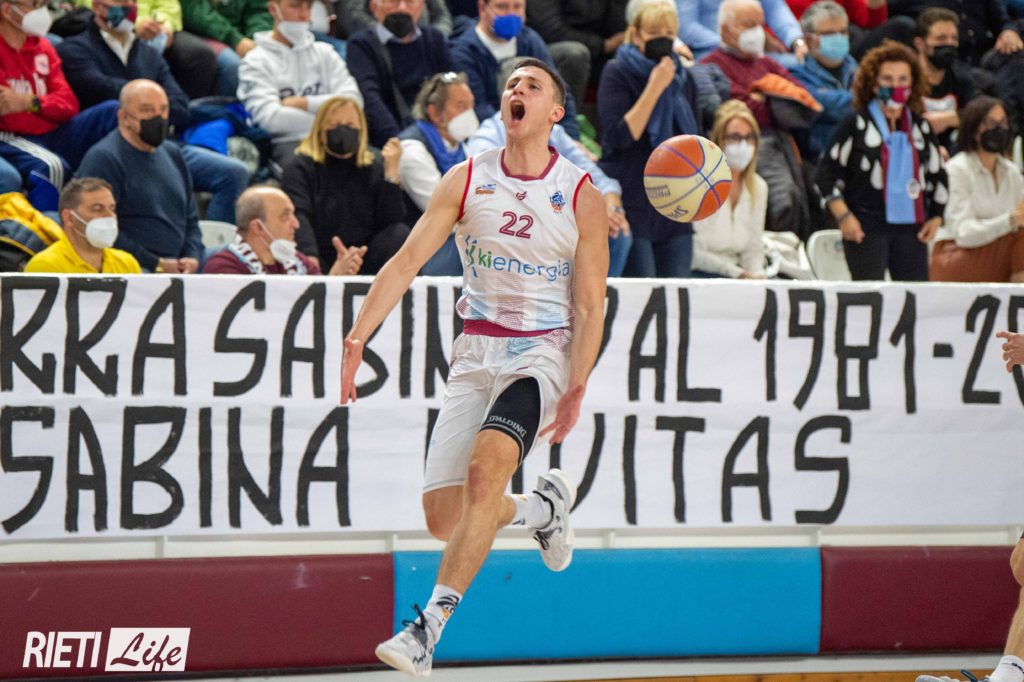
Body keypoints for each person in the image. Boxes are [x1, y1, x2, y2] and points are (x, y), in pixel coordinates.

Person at [342, 57, 607, 676]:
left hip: (540, 352)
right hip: (476, 350)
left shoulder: (580, 194)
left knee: (487, 475)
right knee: (445, 518)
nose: (517, 90)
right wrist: (357, 337)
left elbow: (590, 304)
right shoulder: (466, 178)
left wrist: (576, 384)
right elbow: (407, 261)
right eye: (512, 83)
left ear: (554, 112)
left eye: (532, 86)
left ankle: (426, 630)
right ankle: (541, 510)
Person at [57, 0, 250, 224]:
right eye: (121, 2)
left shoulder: (148, 53)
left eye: (133, 2)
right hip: (112, 149)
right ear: (98, 7)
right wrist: (148, 98)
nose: (129, 7)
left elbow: (180, 107)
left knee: (233, 172)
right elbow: (96, 90)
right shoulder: (74, 49)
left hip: (162, 145)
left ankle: (217, 241)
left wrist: (143, 106)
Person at [814, 41, 947, 281]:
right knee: (869, 296)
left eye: (903, 79)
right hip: (866, 225)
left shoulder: (921, 126)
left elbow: (939, 174)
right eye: (887, 79)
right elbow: (825, 174)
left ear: (913, 83)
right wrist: (844, 217)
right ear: (874, 83)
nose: (895, 86)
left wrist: (936, 216)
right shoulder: (855, 123)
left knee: (913, 295)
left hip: (912, 227)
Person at [599, 0, 700, 277]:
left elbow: (695, 140)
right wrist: (655, 86)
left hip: (675, 202)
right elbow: (620, 137)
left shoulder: (684, 79)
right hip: (633, 197)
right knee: (644, 287)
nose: (663, 40)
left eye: (669, 33)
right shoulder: (617, 72)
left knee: (678, 289)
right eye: (655, 32)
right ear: (636, 34)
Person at [468, 107, 631, 277]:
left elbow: (601, 182)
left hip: (558, 219)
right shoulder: (490, 134)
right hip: (510, 221)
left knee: (616, 231)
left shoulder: (555, 134)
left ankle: (594, 294)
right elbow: (484, 187)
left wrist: (613, 210)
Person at [0, 0, 119, 211]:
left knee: (114, 112)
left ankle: (111, 209)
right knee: (53, 166)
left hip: (51, 131)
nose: (42, 12)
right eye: (35, 5)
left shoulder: (43, 47)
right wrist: (44, 107)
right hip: (11, 137)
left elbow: (69, 105)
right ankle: (50, 228)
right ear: (8, 11)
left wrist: (30, 102)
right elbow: (8, 115)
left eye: (44, 4)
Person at [76, 79, 203, 273]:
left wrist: (192, 256)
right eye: (147, 110)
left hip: (178, 264)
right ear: (124, 117)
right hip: (134, 267)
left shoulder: (173, 153)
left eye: (163, 109)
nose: (158, 117)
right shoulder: (104, 159)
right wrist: (156, 264)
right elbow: (99, 228)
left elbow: (191, 217)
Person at [280, 95, 408, 273]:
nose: (343, 130)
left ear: (361, 130)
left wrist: (391, 174)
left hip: (365, 254)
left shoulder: (375, 165)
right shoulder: (299, 168)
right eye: (334, 125)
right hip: (321, 255)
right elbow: (300, 215)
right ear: (320, 131)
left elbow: (391, 220)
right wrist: (310, 259)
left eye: (350, 125)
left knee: (400, 233)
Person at [237, 0, 363, 172]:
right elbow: (270, 119)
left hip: (340, 137)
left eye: (309, 7)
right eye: (295, 6)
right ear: (273, 9)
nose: (304, 14)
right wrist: (336, 118)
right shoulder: (256, 61)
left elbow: (354, 103)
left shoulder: (325, 53)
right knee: (309, 169)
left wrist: (303, 103)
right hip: (288, 142)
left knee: (375, 164)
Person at [449, 0, 581, 139]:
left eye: (517, 6)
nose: (511, 14)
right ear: (482, 7)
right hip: (497, 138)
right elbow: (479, 110)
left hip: (541, 134)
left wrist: (570, 138)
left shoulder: (530, 40)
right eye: (502, 7)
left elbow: (558, 93)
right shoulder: (463, 53)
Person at [930, 96, 1024, 283]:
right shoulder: (957, 169)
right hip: (956, 252)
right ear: (973, 130)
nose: (999, 129)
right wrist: (1010, 221)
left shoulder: (1012, 172)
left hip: (999, 252)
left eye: (1003, 123)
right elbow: (963, 233)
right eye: (991, 123)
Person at [345, 0, 453, 147]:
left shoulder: (434, 38)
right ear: (374, 7)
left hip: (439, 134)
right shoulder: (361, 45)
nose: (402, 8)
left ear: (421, 7)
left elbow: (451, 89)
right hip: (392, 140)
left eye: (410, 1)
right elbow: (370, 99)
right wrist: (399, 143)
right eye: (393, 1)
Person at [202, 185, 364, 274]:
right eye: (285, 216)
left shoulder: (300, 263)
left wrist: (336, 278)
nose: (296, 224)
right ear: (257, 227)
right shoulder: (224, 268)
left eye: (294, 214)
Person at [692, 100, 766, 278]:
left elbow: (754, 248)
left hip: (739, 275)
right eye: (734, 137)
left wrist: (758, 276)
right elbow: (693, 253)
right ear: (720, 141)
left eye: (749, 138)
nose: (743, 145)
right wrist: (736, 273)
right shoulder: (701, 183)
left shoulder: (759, 187)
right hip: (702, 273)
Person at [785, 0, 857, 160]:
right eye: (829, 34)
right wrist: (866, 97)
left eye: (843, 31)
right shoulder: (796, 76)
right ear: (808, 39)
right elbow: (825, 107)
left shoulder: (855, 68)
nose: (838, 37)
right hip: (822, 159)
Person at [23, 176, 140, 273]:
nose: (109, 216)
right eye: (97, 208)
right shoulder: (45, 266)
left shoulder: (127, 263)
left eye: (112, 208)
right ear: (69, 218)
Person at [913, 8, 978, 157]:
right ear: (920, 43)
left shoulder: (961, 76)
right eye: (941, 38)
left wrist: (950, 118)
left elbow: (981, 112)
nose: (949, 44)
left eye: (954, 38)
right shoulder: (906, 78)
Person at [677, 0, 808, 61]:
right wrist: (728, 43)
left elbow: (776, 10)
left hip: (756, 53)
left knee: (801, 66)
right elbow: (686, 27)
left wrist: (796, 41)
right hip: (713, 53)